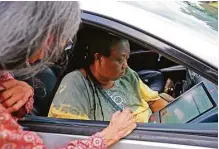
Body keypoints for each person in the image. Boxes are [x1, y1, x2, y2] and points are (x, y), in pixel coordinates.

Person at [0, 1, 136, 149]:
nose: (43, 56)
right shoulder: (74, 84)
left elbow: (13, 103)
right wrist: (108, 137)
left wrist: (26, 91)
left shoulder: (4, 74)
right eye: (53, 41)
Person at [48, 29, 169, 123]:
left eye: (127, 59)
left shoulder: (126, 75)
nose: (125, 66)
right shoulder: (75, 84)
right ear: (99, 58)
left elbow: (154, 102)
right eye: (120, 60)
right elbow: (77, 136)